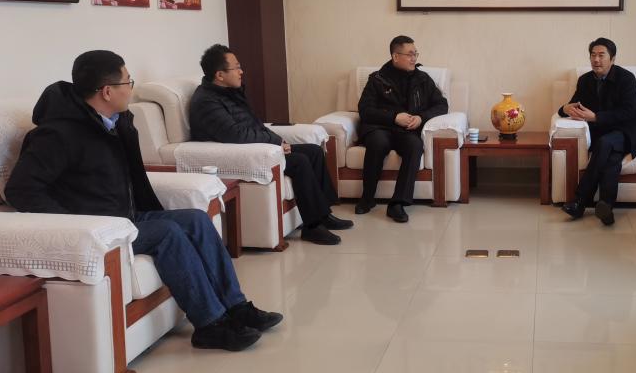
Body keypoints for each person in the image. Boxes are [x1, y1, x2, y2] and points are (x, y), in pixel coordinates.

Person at [5, 51, 283, 352]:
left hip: (129, 217)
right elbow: (21, 189)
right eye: (128, 82)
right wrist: (75, 224)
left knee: (196, 219)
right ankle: (210, 324)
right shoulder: (58, 134)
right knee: (168, 233)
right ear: (107, 91)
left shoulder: (116, 122)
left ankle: (236, 307)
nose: (131, 89)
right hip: (102, 231)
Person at [189, 44, 352, 245]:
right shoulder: (207, 101)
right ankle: (312, 227)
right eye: (236, 67)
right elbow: (235, 134)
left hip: (259, 147)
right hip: (246, 155)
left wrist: (279, 141)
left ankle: (323, 214)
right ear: (220, 75)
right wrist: (275, 143)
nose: (241, 71)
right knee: (300, 161)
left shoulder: (230, 92)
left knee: (314, 151)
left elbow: (254, 124)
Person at [559, 38, 636, 226]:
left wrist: (596, 117)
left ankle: (580, 201)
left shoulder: (626, 78)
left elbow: (628, 112)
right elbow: (572, 106)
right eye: (593, 55)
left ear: (612, 59)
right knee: (611, 158)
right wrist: (564, 108)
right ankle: (607, 207)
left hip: (630, 129)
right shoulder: (585, 80)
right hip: (606, 133)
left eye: (601, 55)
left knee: (605, 143)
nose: (596, 60)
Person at [355, 35, 448, 223]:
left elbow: (441, 105)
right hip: (380, 127)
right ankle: (367, 197)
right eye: (410, 54)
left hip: (407, 131)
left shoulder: (423, 79)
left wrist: (421, 118)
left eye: (416, 54)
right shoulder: (377, 79)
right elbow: (365, 110)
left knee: (415, 145)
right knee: (378, 142)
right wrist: (394, 117)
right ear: (395, 56)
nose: (414, 58)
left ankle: (398, 203)